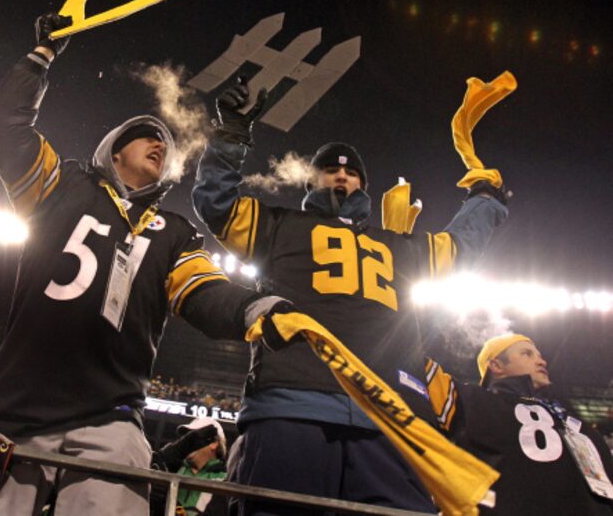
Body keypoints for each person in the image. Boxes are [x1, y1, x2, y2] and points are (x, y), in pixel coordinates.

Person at [0, 14, 305, 516]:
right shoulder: (61, 187)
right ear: (114, 150)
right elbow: (5, 126)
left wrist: (255, 308)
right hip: (14, 404)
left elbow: (204, 294)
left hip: (110, 416)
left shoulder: (175, 232)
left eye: (166, 144)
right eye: (147, 136)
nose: (160, 144)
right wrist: (40, 57)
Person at [191, 80, 509, 514]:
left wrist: (486, 201)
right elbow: (217, 205)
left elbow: (457, 248)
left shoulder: (398, 244)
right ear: (313, 180)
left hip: (389, 419)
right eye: (330, 169)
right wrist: (230, 134)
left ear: (362, 184)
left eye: (351, 171)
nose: (341, 174)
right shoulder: (281, 224)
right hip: (293, 404)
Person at [424, 333, 613, 514]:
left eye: (539, 355)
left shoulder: (571, 420)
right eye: (527, 354)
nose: (542, 361)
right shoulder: (478, 402)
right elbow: (412, 362)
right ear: (496, 365)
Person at [151, 418, 228, 516]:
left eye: (194, 438)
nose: (187, 442)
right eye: (186, 438)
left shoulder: (225, 480)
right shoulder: (174, 469)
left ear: (213, 443)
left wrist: (171, 502)